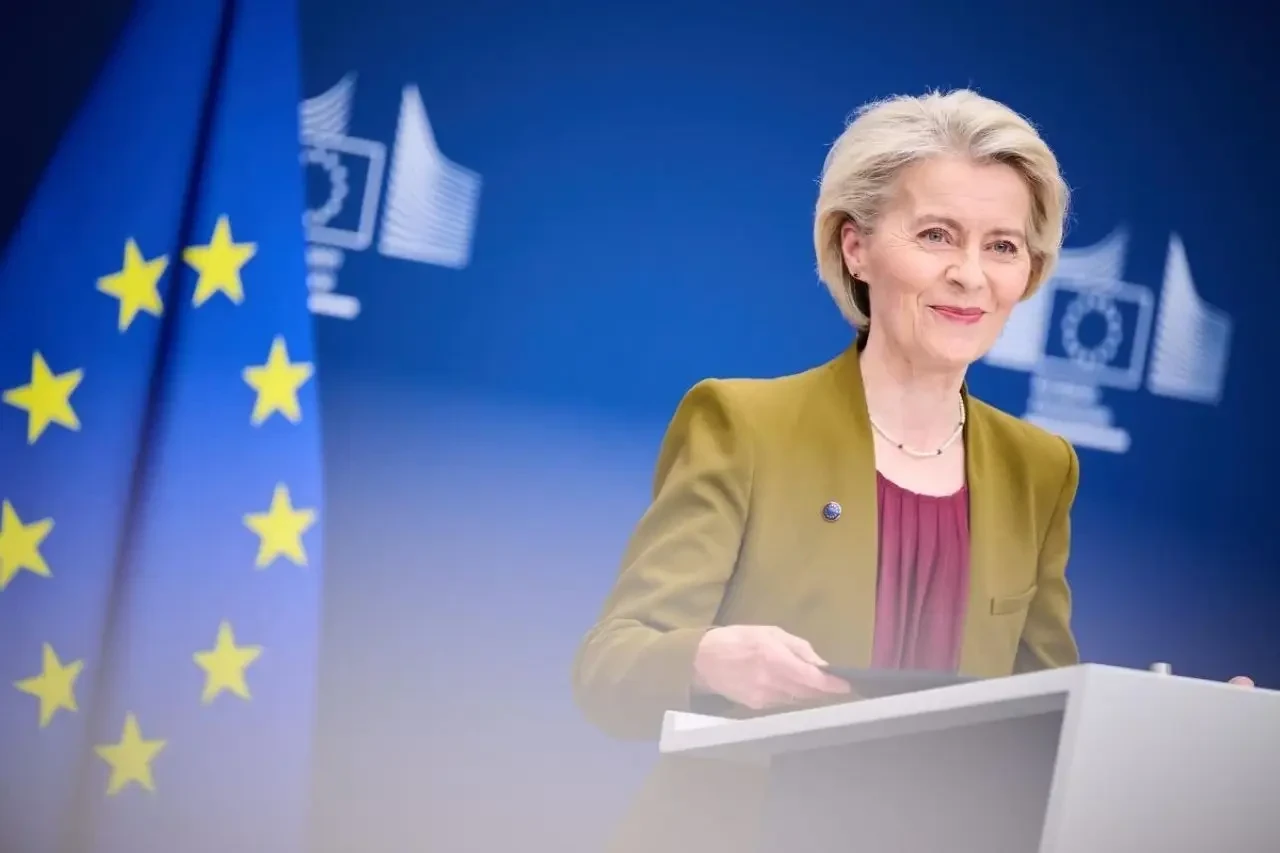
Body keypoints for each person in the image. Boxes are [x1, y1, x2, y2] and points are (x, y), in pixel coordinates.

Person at [570, 88, 1248, 851]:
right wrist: (709, 659)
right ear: (856, 247)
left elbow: (1043, 714)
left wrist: (1175, 734)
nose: (970, 275)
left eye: (1002, 246)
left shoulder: (1039, 467)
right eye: (936, 235)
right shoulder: (744, 422)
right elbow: (609, 668)